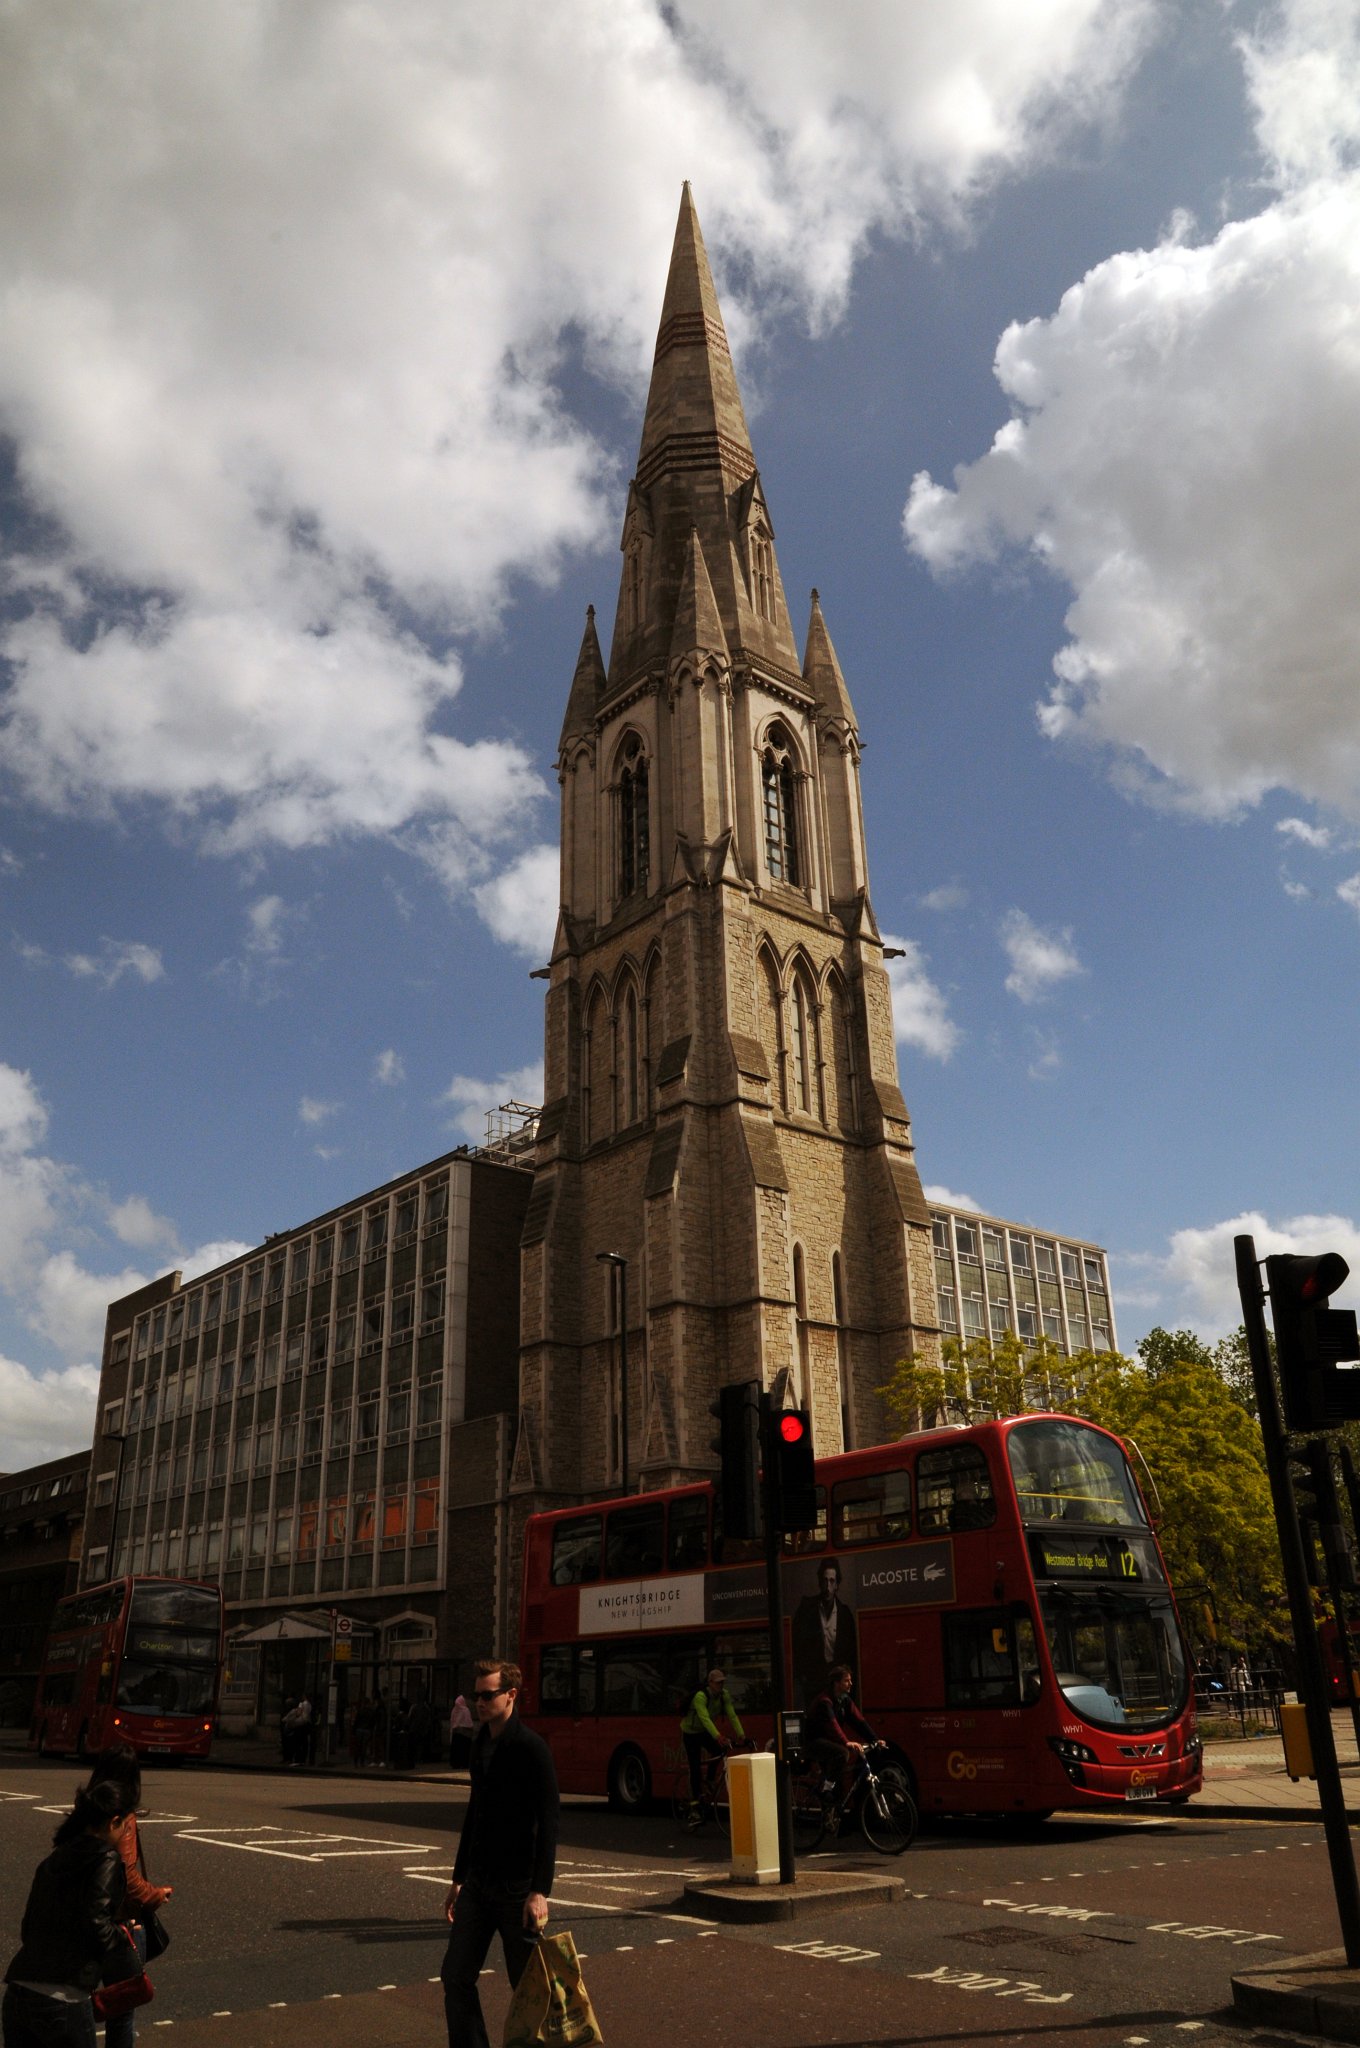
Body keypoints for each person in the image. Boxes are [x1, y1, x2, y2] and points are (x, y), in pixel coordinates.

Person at [441, 1658, 558, 2048]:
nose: (480, 1702)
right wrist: (458, 1878)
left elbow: (549, 1822)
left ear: (511, 1695)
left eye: (488, 1695)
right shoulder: (480, 1745)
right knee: (456, 1976)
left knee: (528, 1988)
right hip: (477, 1884)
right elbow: (475, 1812)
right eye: (477, 1695)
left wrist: (540, 1891)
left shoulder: (531, 1748)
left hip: (515, 1889)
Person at [3, 1780, 141, 2048]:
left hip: (19, 1990)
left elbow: (27, 1927)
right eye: (125, 1826)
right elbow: (97, 1923)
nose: (125, 1832)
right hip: (63, 1998)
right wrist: (123, 1933)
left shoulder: (55, 1858)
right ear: (114, 1822)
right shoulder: (106, 1859)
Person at [85, 1746, 171, 2048]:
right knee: (120, 2012)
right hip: (121, 1924)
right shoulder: (122, 1817)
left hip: (85, 1919)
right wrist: (155, 1895)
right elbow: (128, 1878)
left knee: (81, 2002)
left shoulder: (84, 1810)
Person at [805, 1664, 878, 1803]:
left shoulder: (844, 1700)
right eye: (846, 1680)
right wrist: (846, 1742)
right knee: (842, 1753)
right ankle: (825, 1789)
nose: (851, 1683)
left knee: (838, 1790)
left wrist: (875, 1739)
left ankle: (830, 1817)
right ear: (836, 1683)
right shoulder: (824, 1701)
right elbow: (833, 1725)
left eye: (850, 1680)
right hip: (813, 1741)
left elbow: (859, 1721)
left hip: (828, 1741)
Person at [791, 1557, 858, 1705]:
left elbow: (851, 1655)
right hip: (813, 1686)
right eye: (825, 1581)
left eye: (832, 1581)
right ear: (819, 1582)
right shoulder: (806, 1609)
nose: (828, 1587)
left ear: (837, 1585)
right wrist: (803, 1677)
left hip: (836, 1686)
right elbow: (796, 1646)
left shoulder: (845, 1615)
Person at [679, 1668, 745, 1805]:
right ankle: (695, 1805)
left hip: (703, 1732)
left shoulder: (723, 1695)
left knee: (719, 1750)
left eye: (722, 1683)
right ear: (710, 1683)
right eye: (717, 1683)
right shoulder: (700, 1696)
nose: (720, 1686)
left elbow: (732, 1715)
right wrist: (718, 1736)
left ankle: (709, 1780)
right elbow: (705, 1718)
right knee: (695, 1767)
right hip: (690, 1733)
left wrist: (741, 1734)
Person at [448, 1694, 473, 1770]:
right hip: (464, 1734)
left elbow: (452, 1721)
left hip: (456, 1733)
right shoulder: (465, 1710)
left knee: (456, 1750)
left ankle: (455, 1764)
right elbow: (469, 1723)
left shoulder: (454, 1710)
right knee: (464, 1750)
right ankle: (464, 1764)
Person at [350, 1694, 376, 1768]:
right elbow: (373, 1722)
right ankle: (362, 1762)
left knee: (358, 1746)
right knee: (364, 1747)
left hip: (359, 1730)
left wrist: (353, 1731)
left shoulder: (360, 1711)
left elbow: (356, 1722)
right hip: (367, 1730)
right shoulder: (371, 1712)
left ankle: (356, 1762)